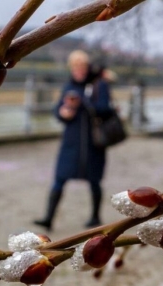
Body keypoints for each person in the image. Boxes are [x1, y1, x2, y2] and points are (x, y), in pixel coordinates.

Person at [34, 50, 114, 231]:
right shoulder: (68, 86)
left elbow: (105, 110)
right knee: (59, 179)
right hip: (71, 142)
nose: (79, 70)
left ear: (87, 67)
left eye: (82, 66)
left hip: (94, 143)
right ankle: (48, 218)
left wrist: (83, 101)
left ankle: (95, 216)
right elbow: (57, 111)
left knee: (95, 181)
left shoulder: (99, 85)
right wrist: (63, 113)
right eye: (75, 67)